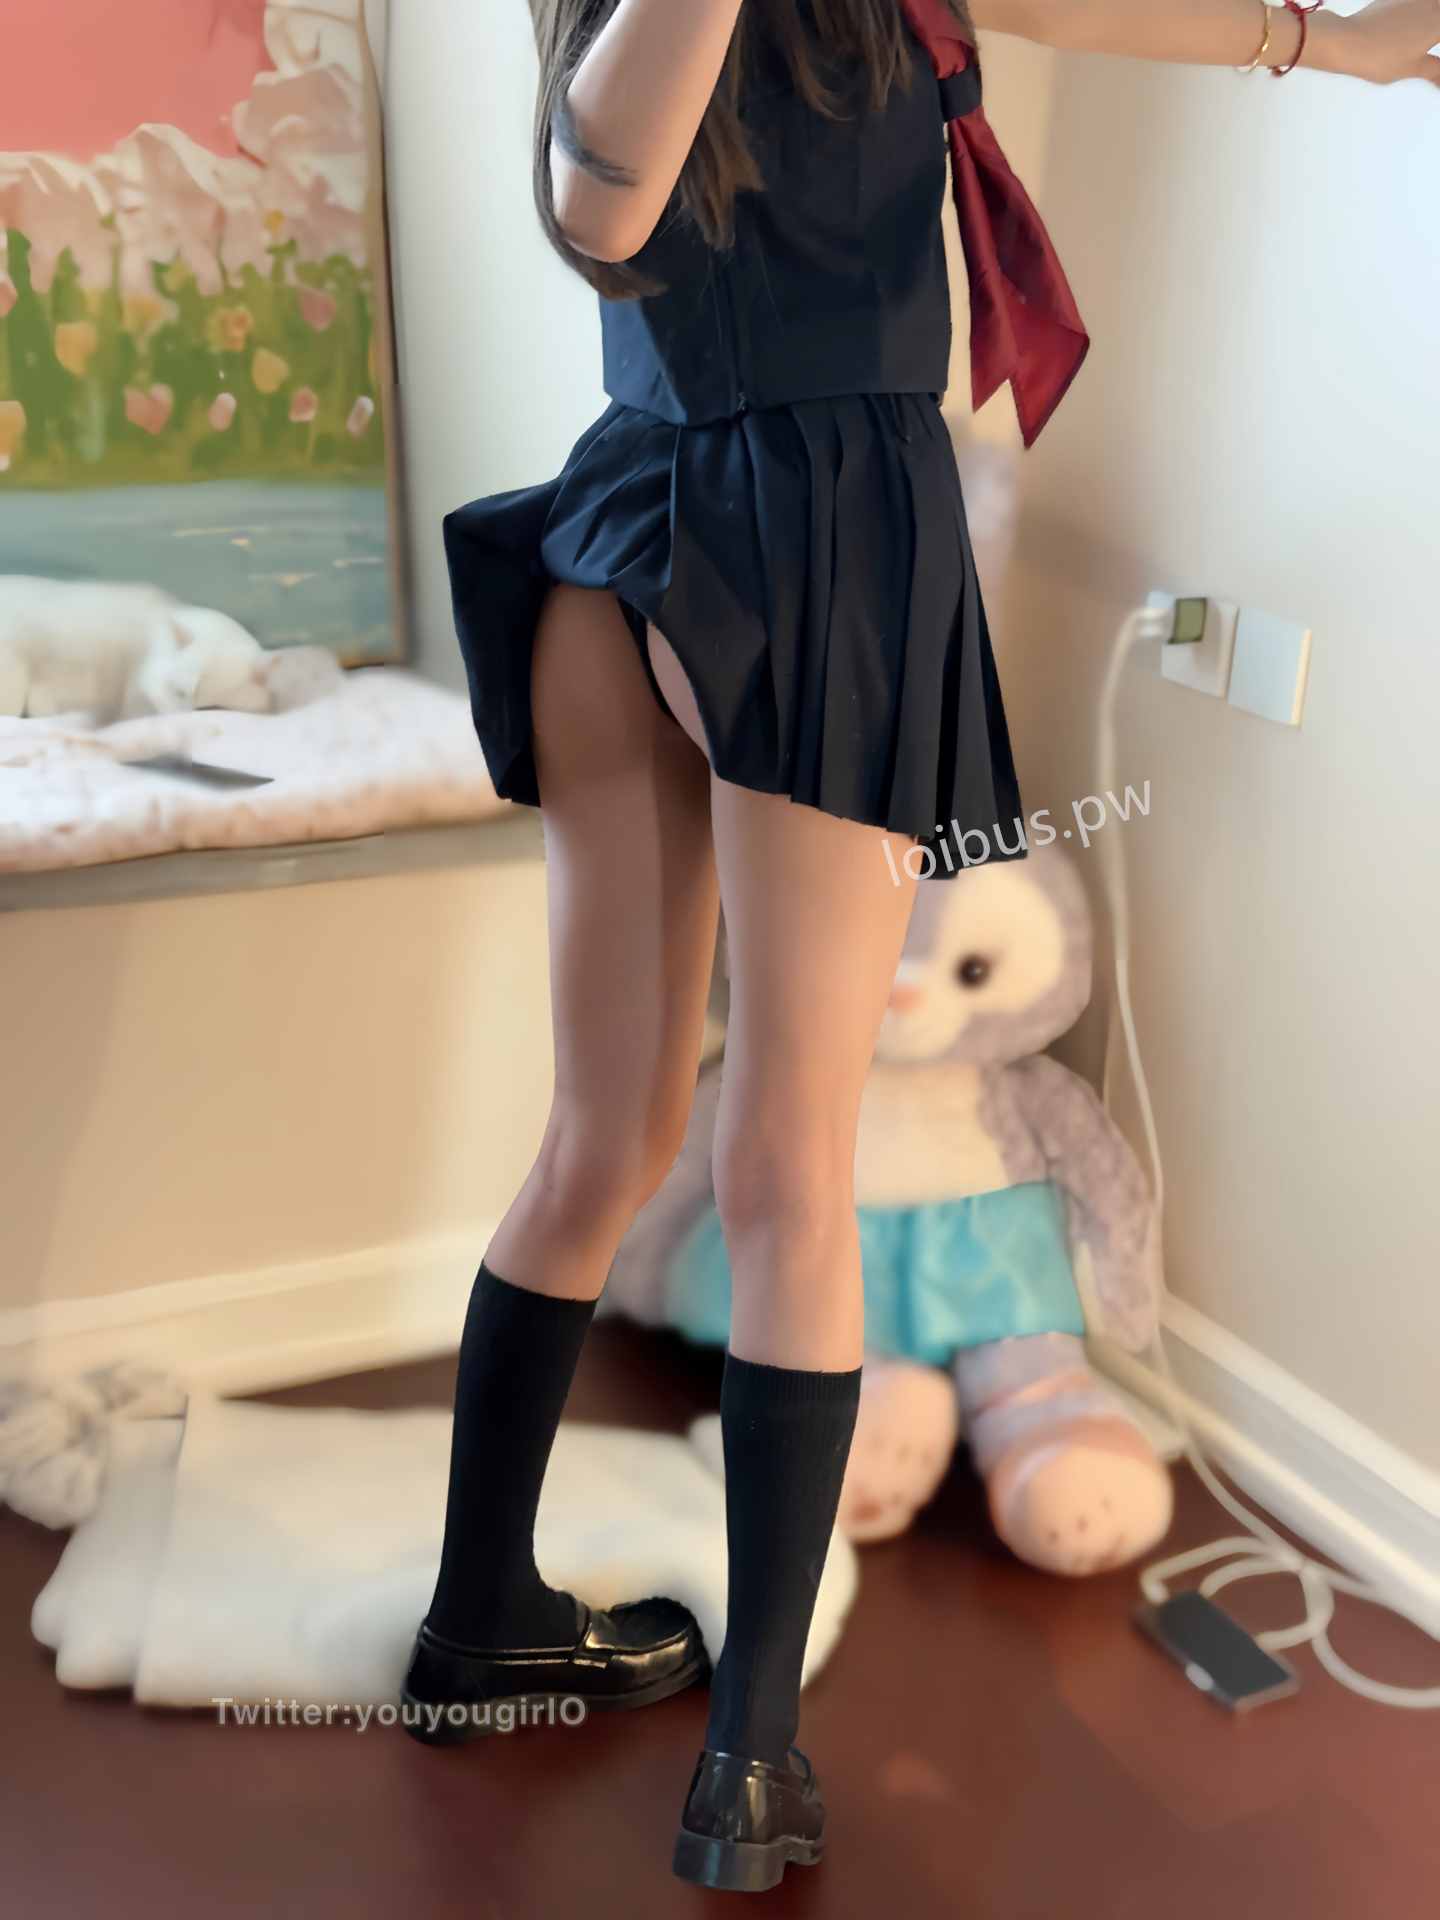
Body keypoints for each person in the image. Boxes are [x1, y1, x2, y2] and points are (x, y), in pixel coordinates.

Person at [402, 0, 1439, 1893]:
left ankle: (481, 1630)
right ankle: (748, 1764)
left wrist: (1333, 42)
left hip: (627, 525)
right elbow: (596, 208)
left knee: (613, 1139)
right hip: (815, 541)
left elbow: (1094, 4)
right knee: (783, 1159)